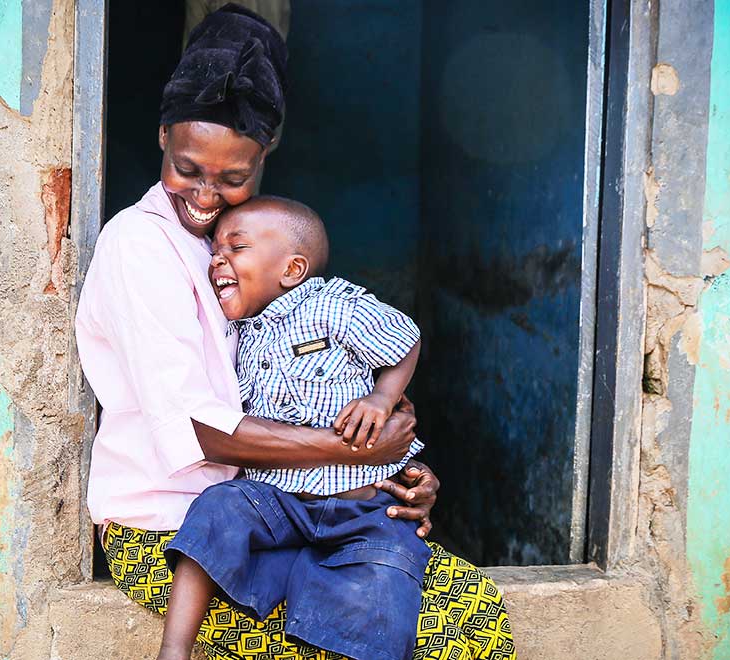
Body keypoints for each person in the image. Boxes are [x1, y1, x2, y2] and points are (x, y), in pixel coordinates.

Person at [75, 5, 515, 658]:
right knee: (365, 635)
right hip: (171, 531)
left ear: (265, 155)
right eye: (188, 168)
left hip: (291, 509)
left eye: (233, 177)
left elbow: (331, 373)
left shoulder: (245, 245)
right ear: (164, 134)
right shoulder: (139, 246)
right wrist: (352, 456)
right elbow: (195, 426)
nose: (204, 194)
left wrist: (391, 467)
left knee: (471, 608)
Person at [158, 197, 430, 660]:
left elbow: (405, 337)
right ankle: (173, 651)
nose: (217, 259)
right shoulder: (236, 331)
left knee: (386, 585)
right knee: (217, 511)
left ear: (291, 269)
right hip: (277, 500)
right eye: (214, 251)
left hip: (360, 507)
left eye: (235, 247)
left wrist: (382, 398)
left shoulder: (333, 307)